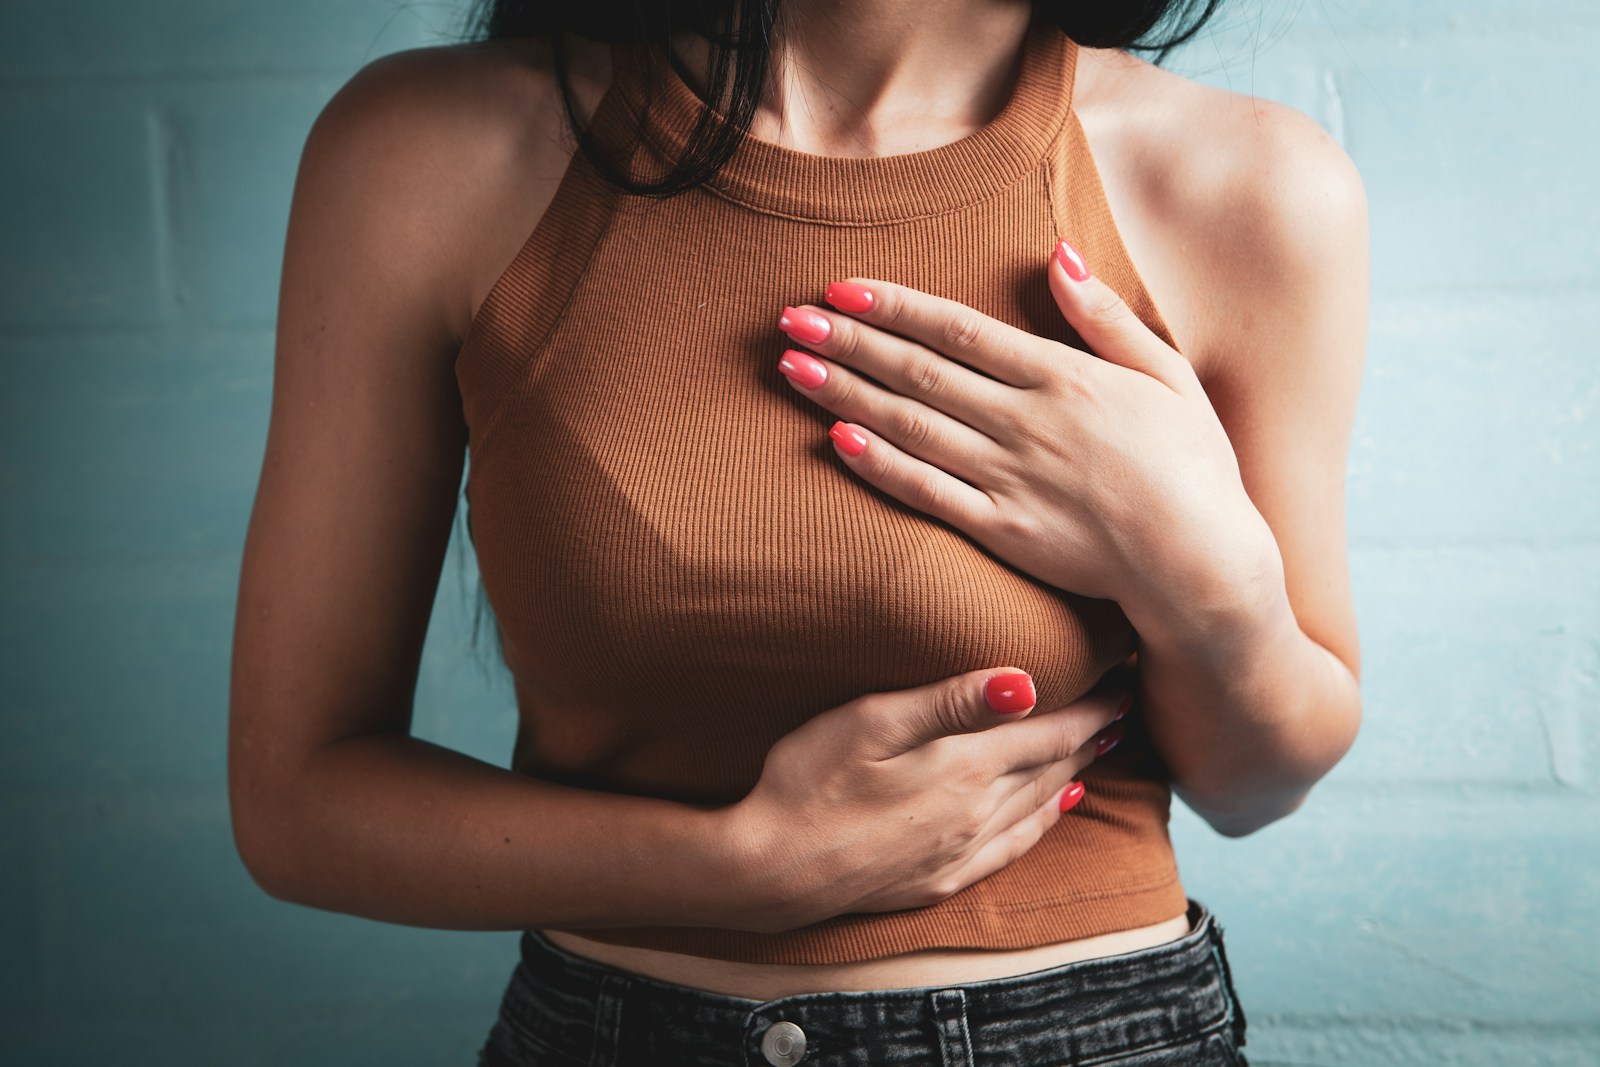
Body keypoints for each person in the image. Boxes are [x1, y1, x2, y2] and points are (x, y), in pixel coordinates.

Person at [228, 0, 1367, 1063]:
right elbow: (297, 803)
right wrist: (740, 870)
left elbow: (1252, 786)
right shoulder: (425, 152)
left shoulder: (1250, 185)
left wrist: (1208, 581)